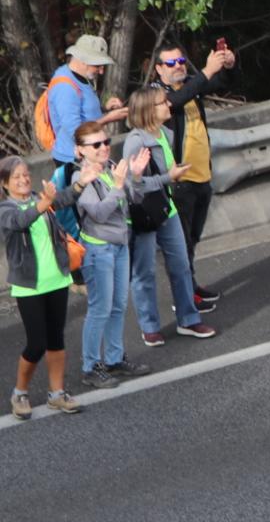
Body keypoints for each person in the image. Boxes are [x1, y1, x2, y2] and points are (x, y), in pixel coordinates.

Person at [123, 86, 218, 345]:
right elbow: (133, 186)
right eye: (162, 103)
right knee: (144, 273)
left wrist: (173, 173)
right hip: (144, 214)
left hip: (168, 209)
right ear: (147, 111)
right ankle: (150, 326)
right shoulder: (135, 141)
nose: (168, 105)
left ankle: (188, 319)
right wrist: (169, 177)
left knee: (181, 266)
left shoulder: (165, 133)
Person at [4, 155, 85, 418]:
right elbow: (21, 221)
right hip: (30, 286)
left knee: (56, 338)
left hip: (57, 280)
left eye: (26, 174)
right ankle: (20, 393)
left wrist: (81, 183)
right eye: (16, 177)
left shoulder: (40, 197)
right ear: (5, 184)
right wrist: (44, 203)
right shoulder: (6, 210)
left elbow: (61, 199)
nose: (24, 179)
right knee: (36, 343)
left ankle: (57, 393)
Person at [156, 41, 233, 307]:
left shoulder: (191, 84)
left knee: (193, 238)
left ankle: (191, 286)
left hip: (202, 175)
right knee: (181, 243)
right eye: (170, 63)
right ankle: (184, 298)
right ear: (159, 69)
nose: (178, 67)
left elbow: (216, 83)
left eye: (180, 61)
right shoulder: (156, 94)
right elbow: (175, 101)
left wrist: (225, 65)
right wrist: (206, 71)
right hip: (180, 181)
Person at [71, 121, 145, 388]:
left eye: (106, 142)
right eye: (96, 145)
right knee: (100, 308)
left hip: (121, 245)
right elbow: (99, 213)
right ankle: (90, 366)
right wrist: (117, 186)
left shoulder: (112, 168)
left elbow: (134, 200)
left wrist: (134, 177)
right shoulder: (80, 178)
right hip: (98, 249)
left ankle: (114, 359)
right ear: (81, 151)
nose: (104, 147)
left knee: (118, 305)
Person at [41, 35, 129, 250]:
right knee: (81, 216)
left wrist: (105, 107)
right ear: (81, 59)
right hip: (73, 160)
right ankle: (83, 266)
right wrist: (108, 119)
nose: (101, 71)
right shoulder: (65, 86)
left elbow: (84, 113)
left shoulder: (79, 79)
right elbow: (75, 130)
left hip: (87, 156)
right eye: (98, 65)